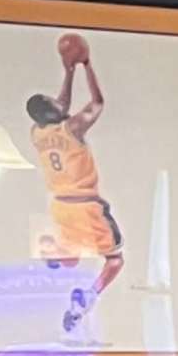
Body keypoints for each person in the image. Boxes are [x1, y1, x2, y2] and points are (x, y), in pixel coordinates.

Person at [26, 32, 125, 336]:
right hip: (86, 204)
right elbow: (97, 102)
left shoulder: (37, 132)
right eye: (53, 101)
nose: (59, 101)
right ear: (52, 111)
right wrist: (87, 65)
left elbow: (61, 105)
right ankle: (89, 298)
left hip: (60, 206)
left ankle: (57, 256)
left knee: (76, 254)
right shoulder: (72, 128)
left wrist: (68, 71)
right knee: (115, 259)